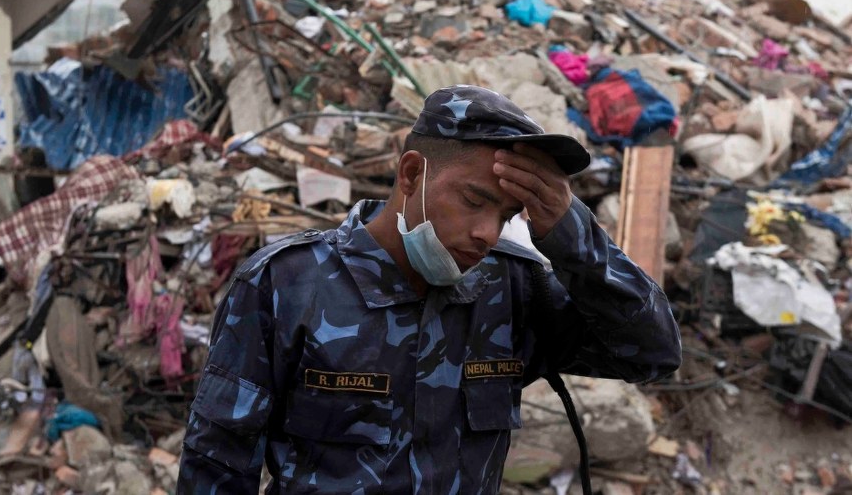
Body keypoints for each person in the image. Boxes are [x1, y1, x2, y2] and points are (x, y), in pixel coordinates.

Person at [178, 84, 682, 494]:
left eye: (507, 215)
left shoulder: (513, 287)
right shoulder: (285, 285)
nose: (488, 233)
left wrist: (573, 238)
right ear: (412, 173)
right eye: (474, 201)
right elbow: (217, 464)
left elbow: (652, 355)